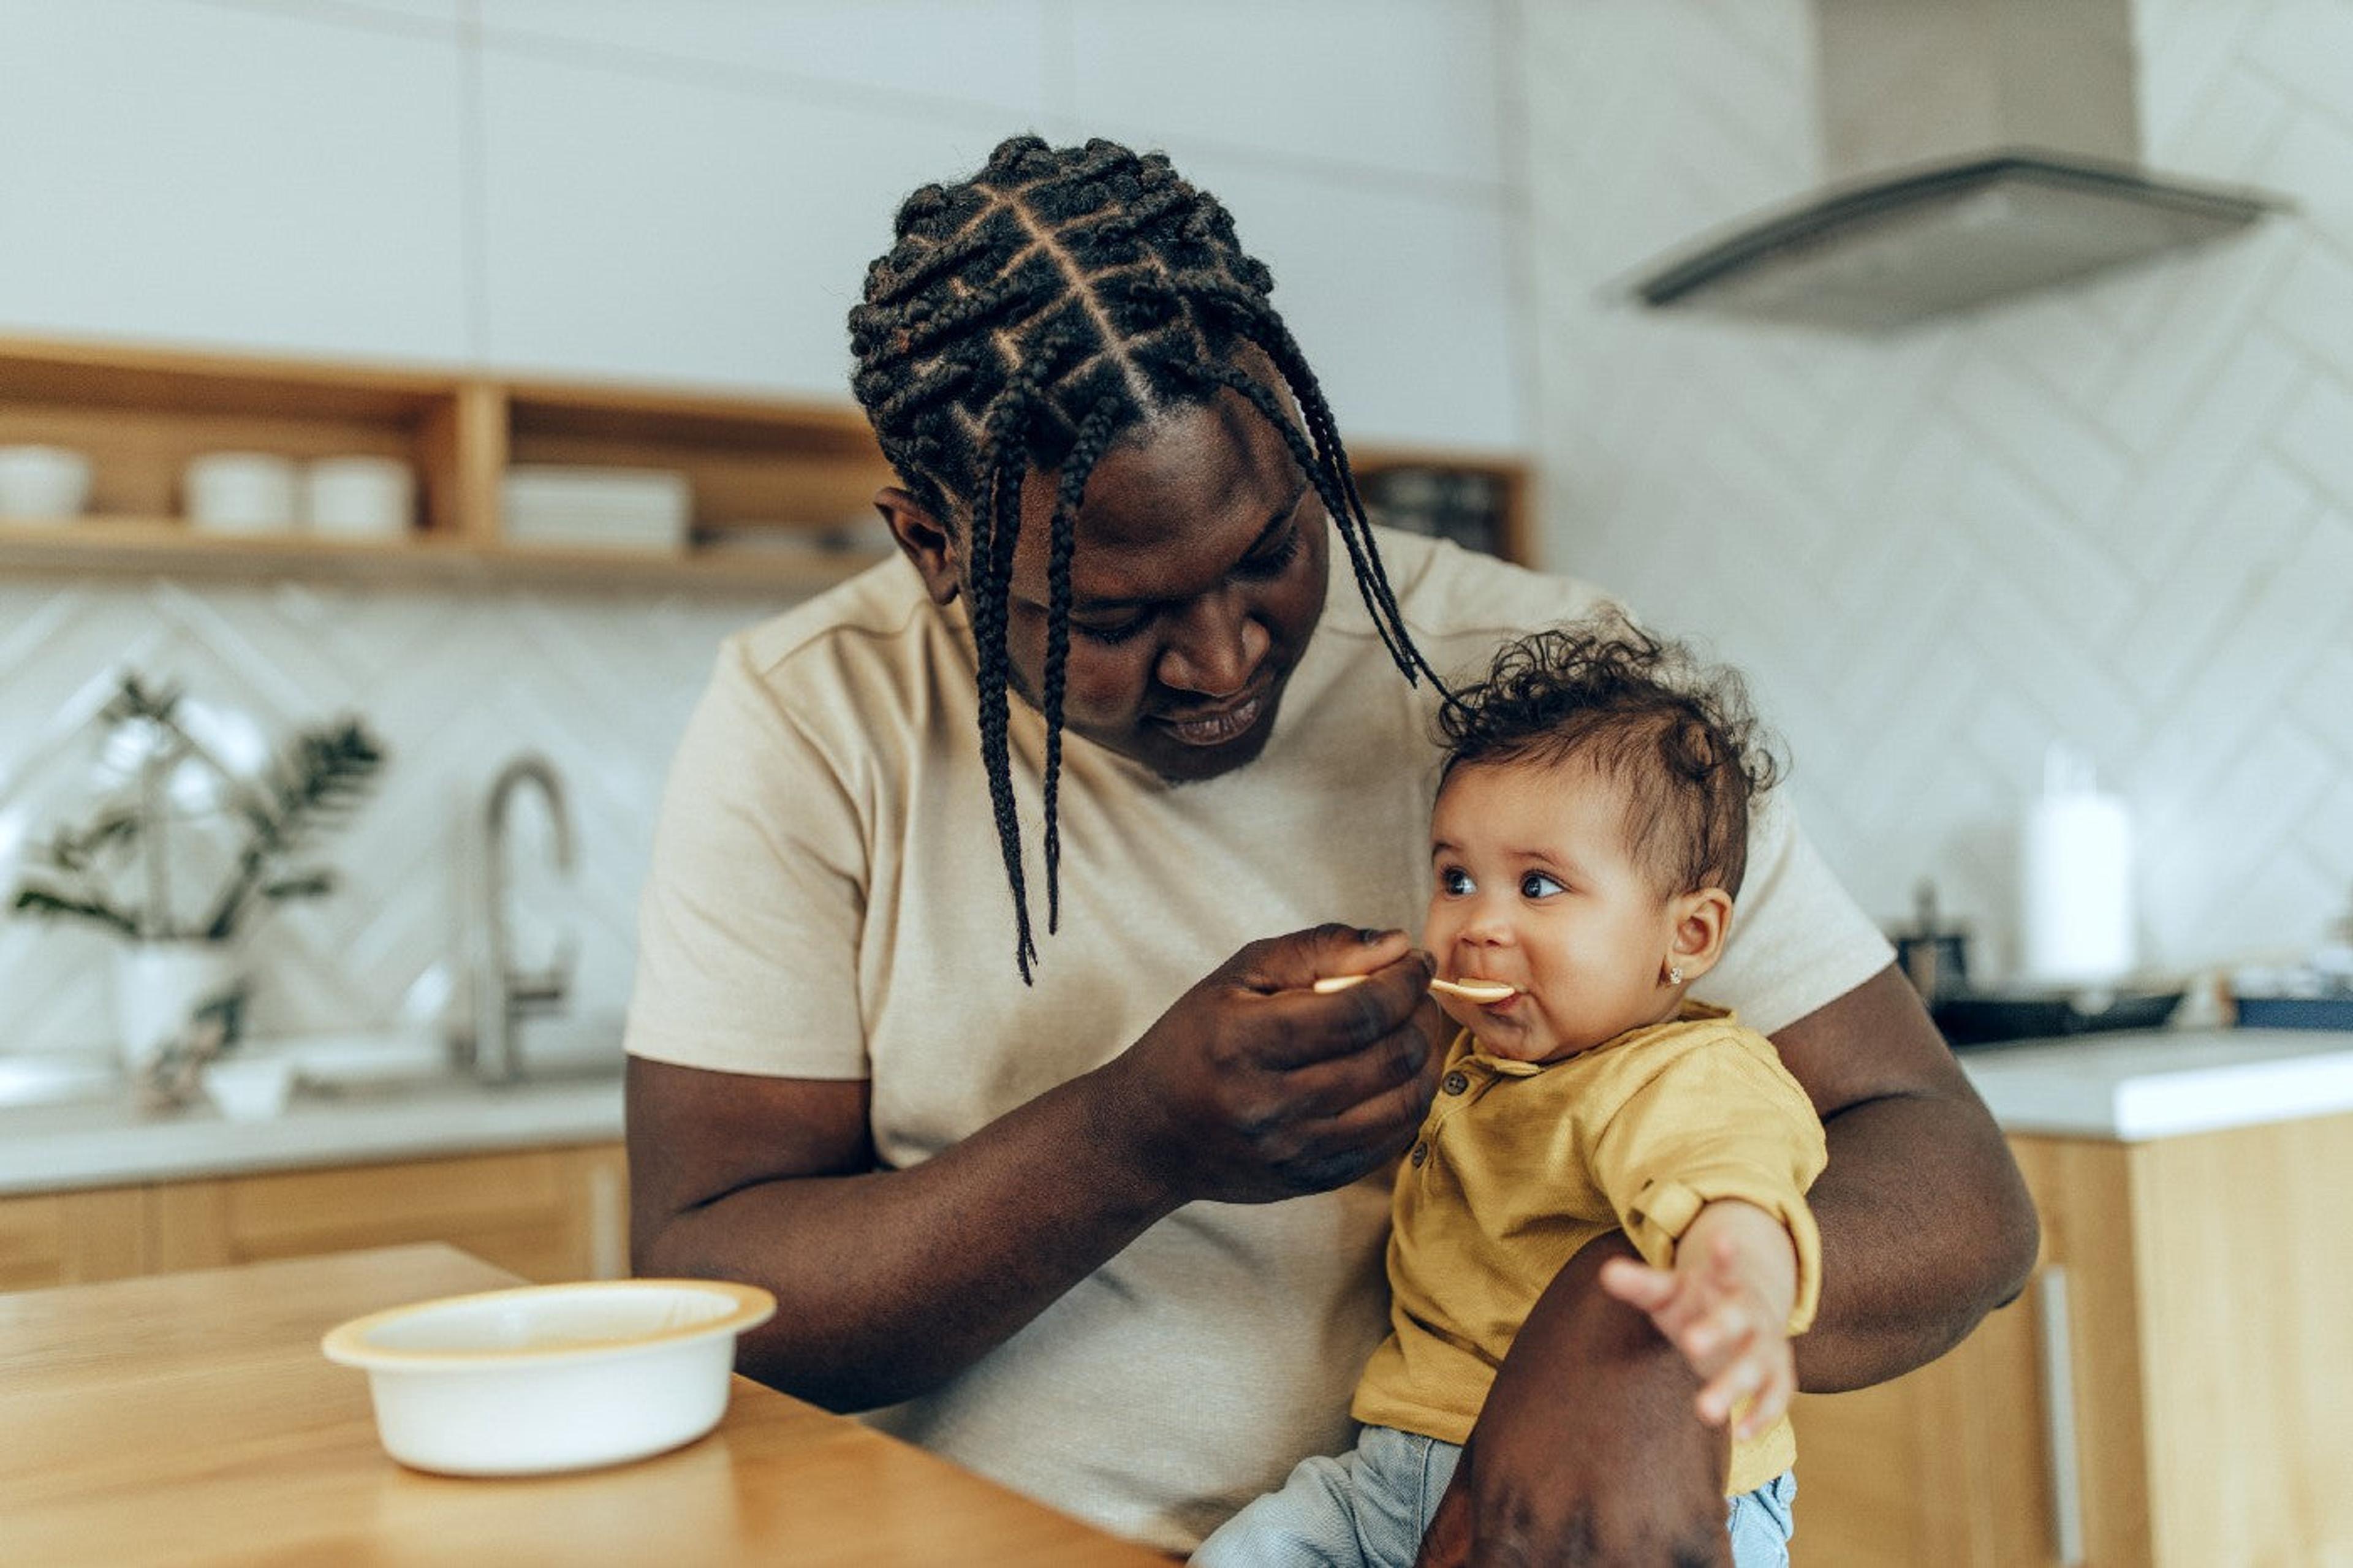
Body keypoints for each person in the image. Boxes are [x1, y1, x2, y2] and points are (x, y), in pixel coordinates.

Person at [623, 133, 2037, 1562]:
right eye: (1116, 618)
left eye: (1271, 548)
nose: (1227, 656)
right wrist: (1135, 1137)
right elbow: (711, 1281)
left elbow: (1956, 1183)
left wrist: (1637, 1317)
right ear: (936, 546)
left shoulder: (1571, 709)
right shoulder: (814, 718)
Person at [1195, 619, 1825, 1568]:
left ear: (1688, 938)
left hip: (1622, 1507)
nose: (1478, 925)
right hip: (1389, 1476)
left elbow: (1731, 1192)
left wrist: (1737, 1289)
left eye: (1539, 886)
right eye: (1456, 877)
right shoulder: (1474, 1058)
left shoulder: (1684, 1078)